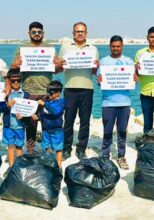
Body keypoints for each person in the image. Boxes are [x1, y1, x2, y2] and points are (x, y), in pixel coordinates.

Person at [11, 21, 59, 154]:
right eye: (34, 32)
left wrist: (58, 64)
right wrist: (16, 64)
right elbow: (13, 69)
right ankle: (31, 151)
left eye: (39, 32)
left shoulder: (50, 49)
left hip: (46, 91)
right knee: (30, 124)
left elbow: (56, 71)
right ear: (29, 33)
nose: (37, 34)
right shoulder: (22, 48)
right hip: (28, 91)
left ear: (43, 33)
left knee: (47, 123)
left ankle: (48, 150)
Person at [58, 22, 99, 160]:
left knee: (85, 121)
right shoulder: (65, 47)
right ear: (73, 33)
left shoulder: (93, 49)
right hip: (70, 88)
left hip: (87, 88)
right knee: (68, 120)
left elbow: (95, 71)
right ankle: (66, 148)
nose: (80, 33)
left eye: (82, 31)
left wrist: (95, 68)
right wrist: (59, 64)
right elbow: (59, 68)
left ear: (86, 33)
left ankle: (81, 149)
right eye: (77, 31)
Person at [96, 35, 135, 170]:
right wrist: (99, 80)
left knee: (122, 131)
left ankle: (121, 156)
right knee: (107, 131)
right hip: (108, 103)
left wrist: (135, 78)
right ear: (110, 46)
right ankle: (105, 156)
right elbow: (99, 81)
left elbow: (133, 80)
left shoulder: (129, 62)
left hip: (124, 102)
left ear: (122, 46)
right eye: (113, 46)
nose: (116, 48)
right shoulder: (103, 62)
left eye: (118, 46)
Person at [0, 69, 30, 177]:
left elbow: (29, 110)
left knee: (19, 146)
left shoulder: (26, 94)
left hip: (20, 126)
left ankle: (19, 165)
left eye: (18, 80)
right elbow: (0, 107)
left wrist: (24, 116)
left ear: (21, 80)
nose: (16, 83)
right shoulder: (6, 94)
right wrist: (8, 105)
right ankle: (11, 166)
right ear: (9, 81)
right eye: (13, 81)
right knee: (10, 146)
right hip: (8, 125)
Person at [37, 80, 65, 168]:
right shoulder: (48, 102)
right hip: (46, 130)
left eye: (52, 93)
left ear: (59, 92)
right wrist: (38, 118)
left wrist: (44, 104)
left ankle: (59, 166)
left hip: (57, 130)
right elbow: (44, 114)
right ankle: (49, 163)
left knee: (58, 148)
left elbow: (55, 111)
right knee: (47, 147)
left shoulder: (61, 102)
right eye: (48, 92)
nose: (49, 94)